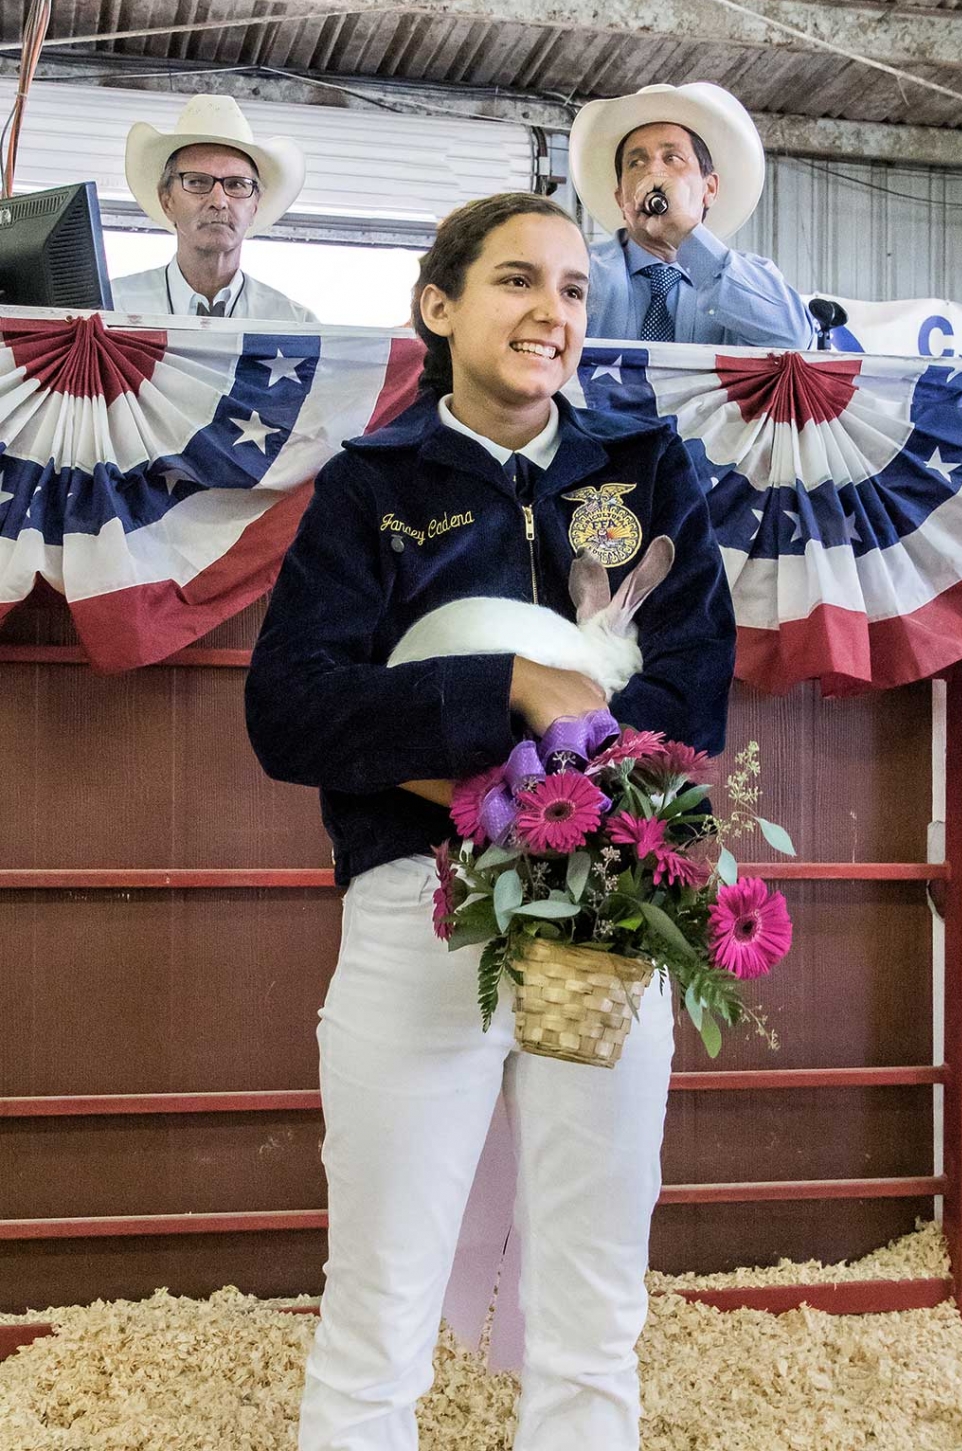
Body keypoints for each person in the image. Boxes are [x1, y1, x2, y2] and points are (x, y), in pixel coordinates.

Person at [245, 191, 735, 1451]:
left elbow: (688, 697)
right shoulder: (368, 488)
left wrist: (563, 807)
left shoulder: (644, 469)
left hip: (609, 919)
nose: (552, 313)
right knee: (383, 1287)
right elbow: (293, 711)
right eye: (517, 282)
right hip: (421, 906)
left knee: (594, 1292)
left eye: (573, 290)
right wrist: (507, 695)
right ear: (438, 306)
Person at [570, 81, 815, 348]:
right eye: (636, 162)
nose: (654, 172)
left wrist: (684, 231)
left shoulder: (749, 279)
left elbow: (794, 338)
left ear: (709, 189)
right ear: (621, 198)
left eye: (672, 158)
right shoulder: (578, 268)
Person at [111, 94, 317, 321]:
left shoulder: (293, 325)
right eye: (197, 182)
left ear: (254, 207)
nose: (219, 201)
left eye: (237, 184)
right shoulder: (112, 310)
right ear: (167, 201)